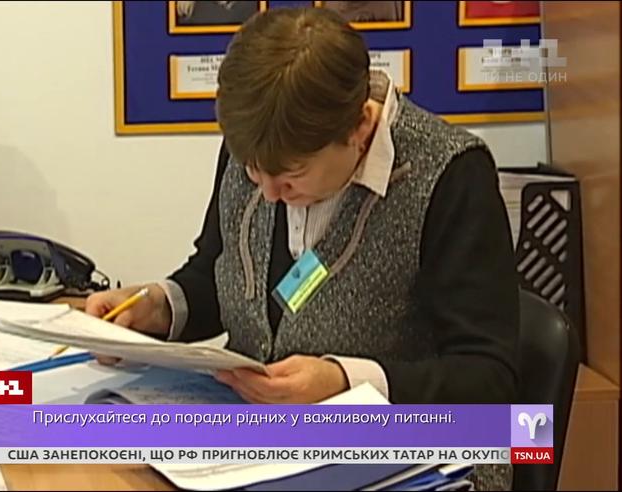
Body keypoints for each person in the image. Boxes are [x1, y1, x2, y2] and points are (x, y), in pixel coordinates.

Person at [88, 7, 518, 489]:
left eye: (292, 175)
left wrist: (344, 381)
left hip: (413, 461)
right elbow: (222, 274)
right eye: (253, 171)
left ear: (359, 128)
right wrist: (156, 307)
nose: (269, 193)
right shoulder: (261, 148)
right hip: (264, 449)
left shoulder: (451, 175)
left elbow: (488, 380)